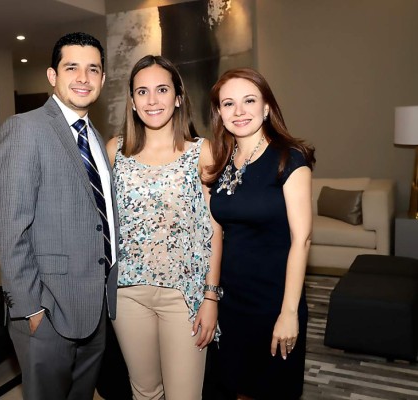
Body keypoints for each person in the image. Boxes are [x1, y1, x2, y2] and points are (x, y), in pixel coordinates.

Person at [0, 32, 118, 400]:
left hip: (94, 305)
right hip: (48, 310)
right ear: (52, 75)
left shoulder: (95, 136)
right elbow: (9, 226)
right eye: (71, 67)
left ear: (103, 79)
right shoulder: (24, 129)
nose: (83, 77)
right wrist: (30, 308)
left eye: (93, 69)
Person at [105, 55, 222, 400]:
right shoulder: (116, 151)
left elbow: (216, 230)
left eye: (161, 90)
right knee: (144, 391)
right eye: (142, 91)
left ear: (178, 97)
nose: (152, 100)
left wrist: (210, 296)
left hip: (183, 296)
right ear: (132, 100)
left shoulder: (203, 153)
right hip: (127, 295)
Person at [206, 68, 315, 400]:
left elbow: (302, 240)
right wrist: (211, 296)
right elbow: (215, 233)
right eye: (229, 104)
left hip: (274, 301)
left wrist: (288, 312)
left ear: (266, 107)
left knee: (271, 391)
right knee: (233, 387)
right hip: (231, 302)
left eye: (249, 101)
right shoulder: (221, 162)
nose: (239, 112)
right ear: (220, 113)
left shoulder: (289, 159)